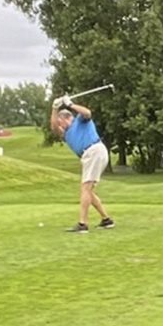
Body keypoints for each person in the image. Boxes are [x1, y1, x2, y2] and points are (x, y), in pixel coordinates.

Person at [50, 97, 115, 233]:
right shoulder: (66, 133)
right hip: (90, 155)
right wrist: (55, 108)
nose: (59, 125)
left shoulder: (80, 121)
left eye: (60, 121)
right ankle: (106, 220)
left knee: (85, 188)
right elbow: (53, 127)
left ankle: (82, 224)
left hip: (93, 150)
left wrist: (70, 104)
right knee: (88, 190)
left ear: (66, 118)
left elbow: (87, 112)